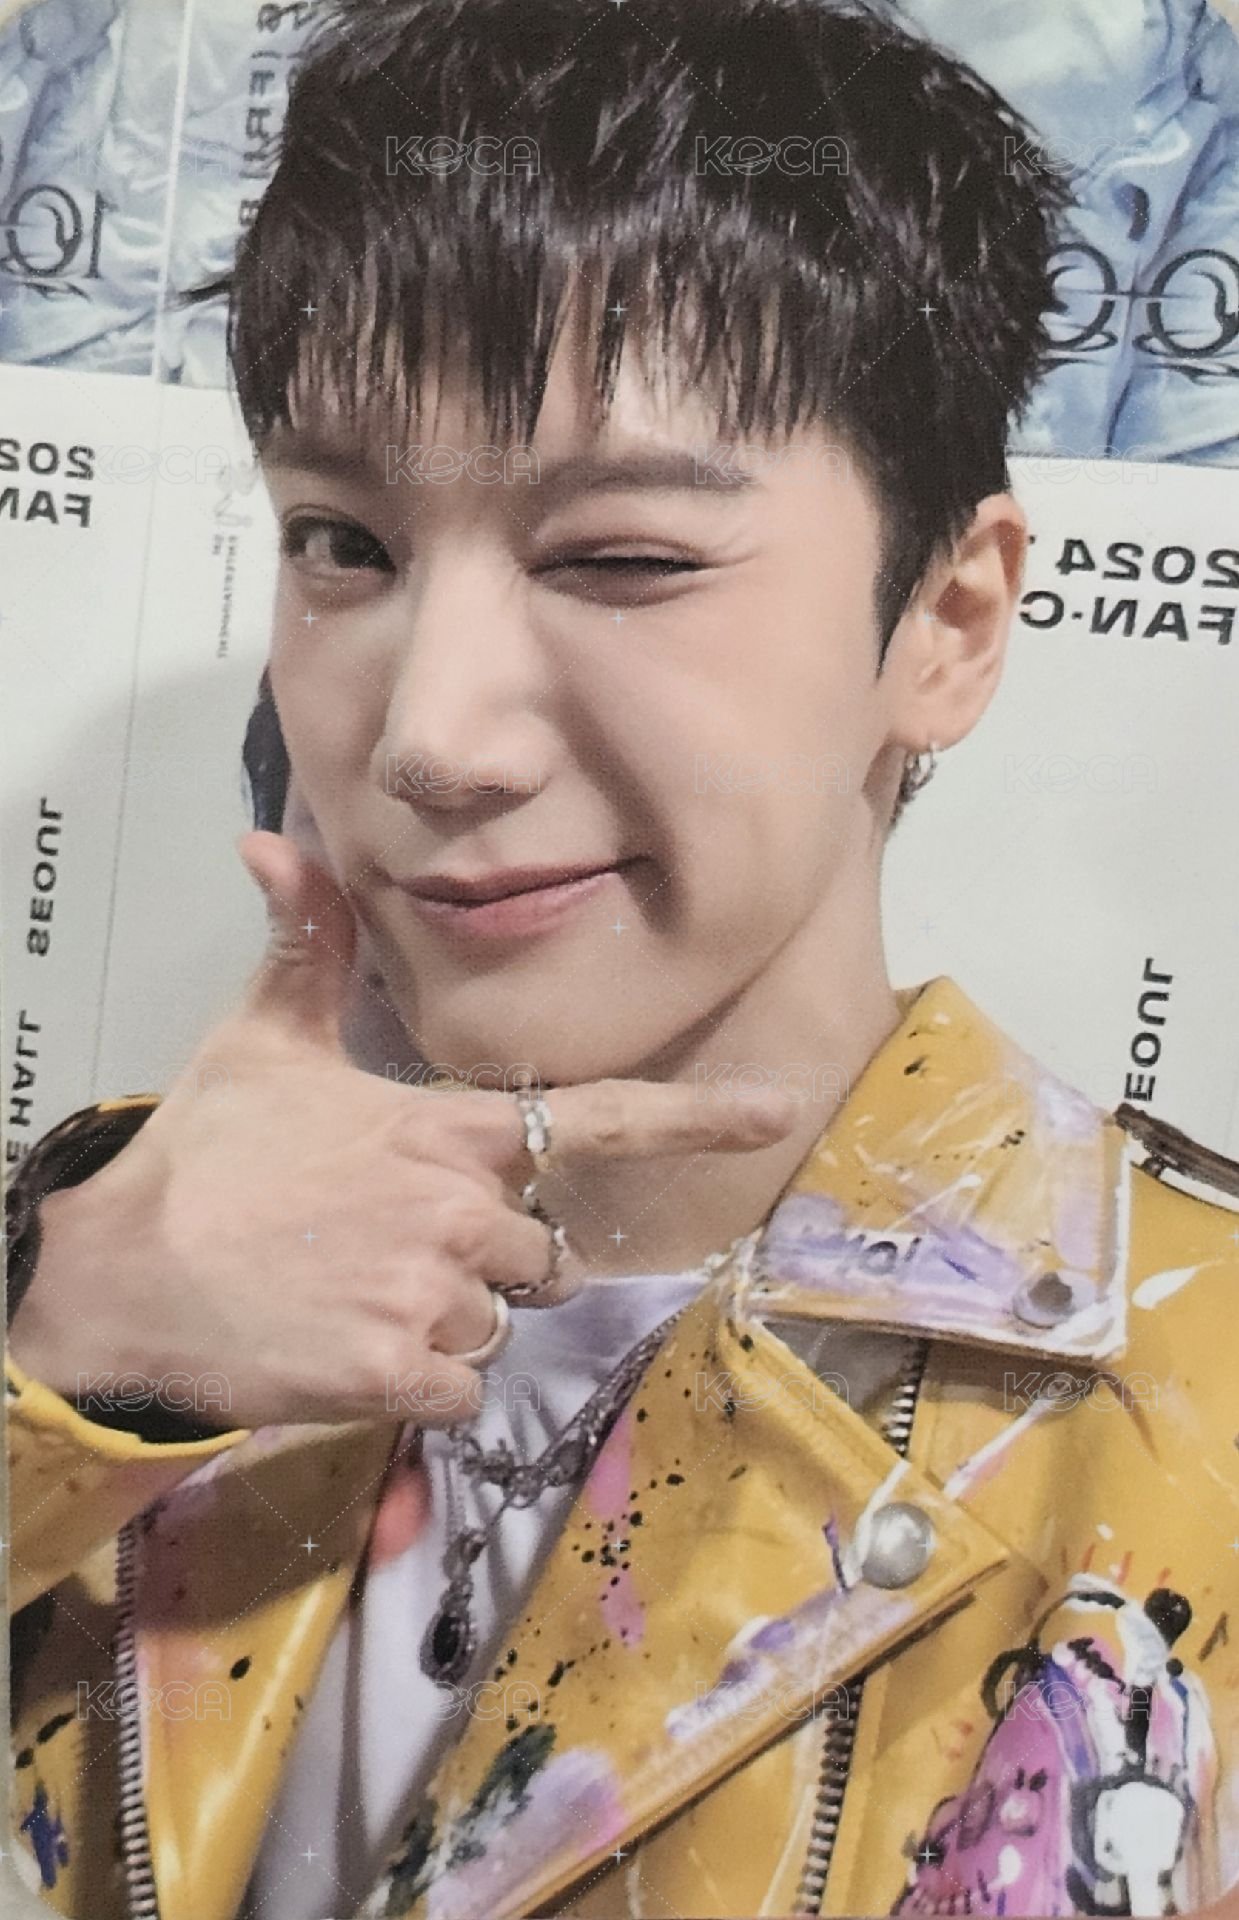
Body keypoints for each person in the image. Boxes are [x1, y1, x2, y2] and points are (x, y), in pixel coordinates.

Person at [5, 1, 1238, 1917]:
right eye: (343, 543)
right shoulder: (93, 1264)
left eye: (623, 560)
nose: (431, 738)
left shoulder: (1194, 1416)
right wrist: (57, 1380)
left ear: (948, 619)